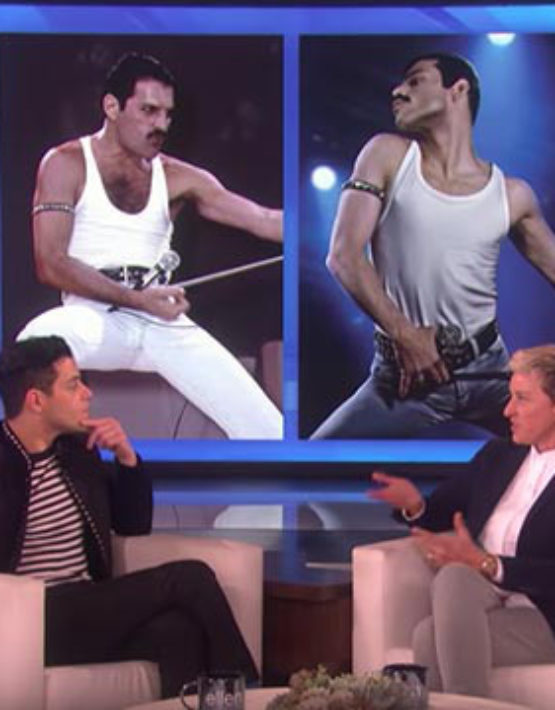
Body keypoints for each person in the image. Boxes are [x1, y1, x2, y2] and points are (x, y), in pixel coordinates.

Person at [17, 52, 282, 440]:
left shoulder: (178, 176)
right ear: (112, 107)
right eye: (148, 111)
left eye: (167, 114)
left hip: (161, 323)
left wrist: (328, 229)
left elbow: (265, 219)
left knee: (268, 430)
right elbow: (50, 263)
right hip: (93, 317)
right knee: (32, 346)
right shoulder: (65, 163)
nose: (161, 124)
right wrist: (136, 299)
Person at [312, 52, 555, 439]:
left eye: (415, 81)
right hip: (403, 379)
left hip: (490, 376)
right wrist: (405, 335)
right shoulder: (387, 154)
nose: (397, 91)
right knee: (313, 464)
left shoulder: (512, 194)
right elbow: (343, 257)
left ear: (457, 90)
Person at [0, 335, 258, 697]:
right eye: (73, 385)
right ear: (36, 400)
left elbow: (133, 525)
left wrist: (126, 457)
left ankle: (211, 704)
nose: (87, 393)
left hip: (85, 605)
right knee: (191, 577)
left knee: (178, 631)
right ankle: (250, 691)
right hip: (27, 619)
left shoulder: (75, 452)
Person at [368, 344, 555, 697]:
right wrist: (414, 505)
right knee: (454, 577)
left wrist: (489, 564)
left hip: (545, 615)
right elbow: (443, 512)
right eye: (510, 397)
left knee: (427, 635)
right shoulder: (499, 455)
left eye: (522, 399)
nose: (507, 410)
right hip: (482, 597)